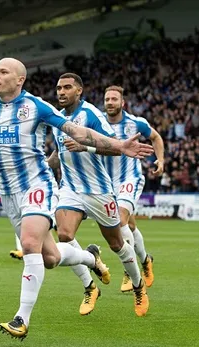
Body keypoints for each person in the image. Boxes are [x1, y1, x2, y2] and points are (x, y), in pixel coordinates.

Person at [0, 58, 153, 340]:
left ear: (20, 79)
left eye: (3, 71)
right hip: (9, 193)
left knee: (29, 244)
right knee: (49, 257)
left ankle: (21, 319)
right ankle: (90, 258)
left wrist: (120, 145)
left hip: (38, 185)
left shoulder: (36, 106)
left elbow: (77, 131)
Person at [47, 73, 149, 317]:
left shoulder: (91, 114)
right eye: (59, 88)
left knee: (117, 244)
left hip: (99, 190)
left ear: (79, 91)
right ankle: (90, 286)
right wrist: (40, 164)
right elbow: (58, 152)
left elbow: (116, 149)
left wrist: (85, 146)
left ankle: (138, 286)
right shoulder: (56, 118)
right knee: (64, 235)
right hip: (70, 188)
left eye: (67, 88)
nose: (61, 92)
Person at [68, 85, 162, 292]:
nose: (110, 102)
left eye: (114, 99)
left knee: (120, 220)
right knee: (130, 226)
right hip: (106, 182)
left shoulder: (135, 123)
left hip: (130, 178)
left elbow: (155, 137)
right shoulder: (96, 121)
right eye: (107, 99)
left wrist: (160, 160)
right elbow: (92, 144)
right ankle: (145, 260)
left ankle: (130, 272)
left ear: (122, 103)